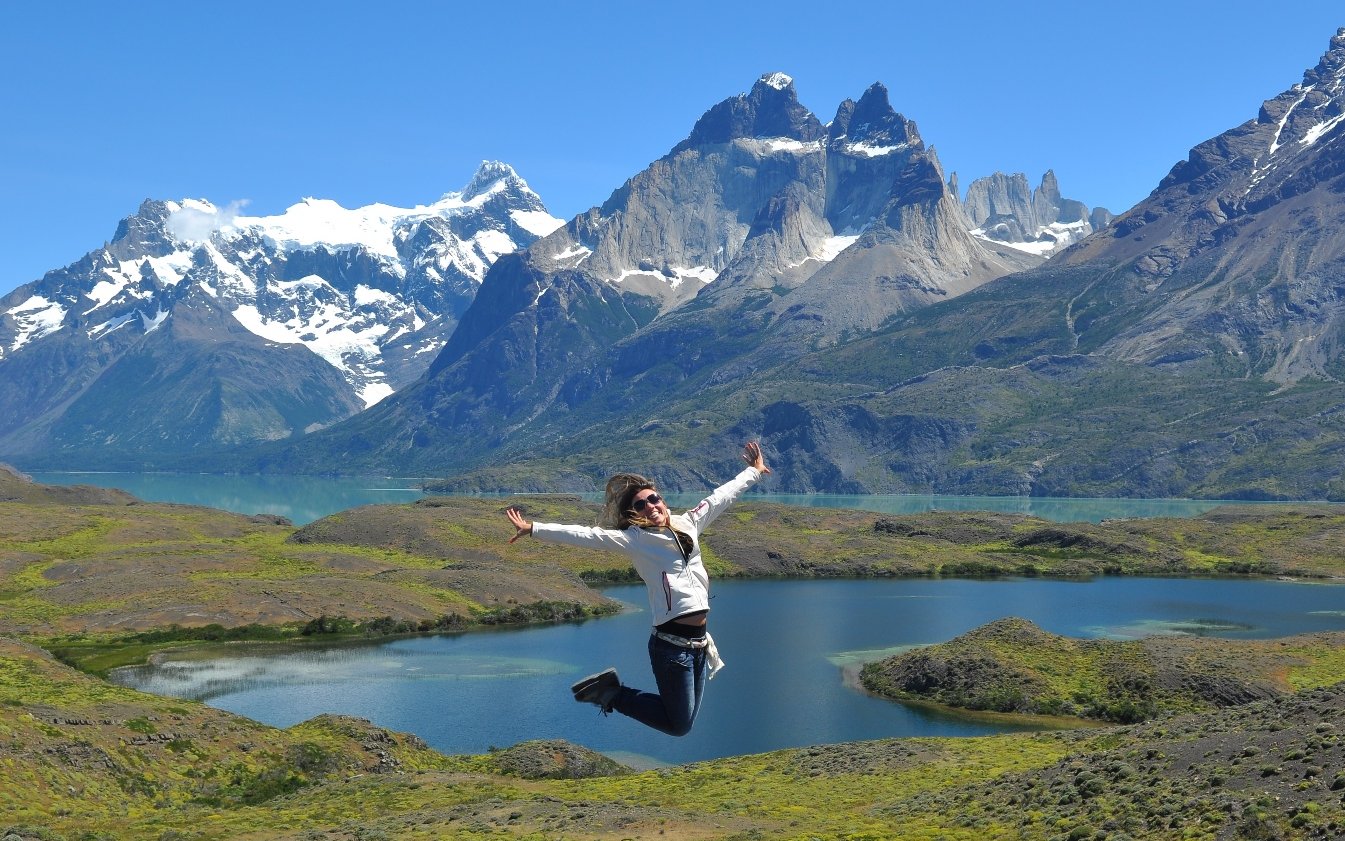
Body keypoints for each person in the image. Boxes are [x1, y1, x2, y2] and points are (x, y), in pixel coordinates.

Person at [505, 441, 771, 737]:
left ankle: (611, 692)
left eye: (653, 499)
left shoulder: (690, 522)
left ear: (663, 500)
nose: (650, 506)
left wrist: (754, 471)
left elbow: (722, 496)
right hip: (671, 648)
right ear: (634, 514)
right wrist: (535, 528)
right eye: (640, 505)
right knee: (679, 725)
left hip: (697, 645)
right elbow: (586, 536)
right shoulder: (635, 540)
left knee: (682, 723)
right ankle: (613, 694)